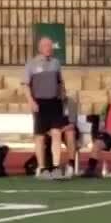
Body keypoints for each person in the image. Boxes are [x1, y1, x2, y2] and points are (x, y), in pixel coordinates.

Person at [25, 37, 68, 179]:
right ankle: (42, 168)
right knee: (40, 137)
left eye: (50, 45)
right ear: (40, 47)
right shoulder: (31, 64)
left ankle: (56, 166)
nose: (49, 48)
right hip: (40, 103)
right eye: (46, 45)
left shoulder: (56, 63)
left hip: (54, 103)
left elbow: (60, 81)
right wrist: (31, 101)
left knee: (56, 133)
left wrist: (62, 93)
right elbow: (26, 85)